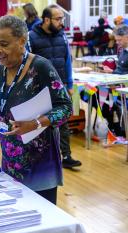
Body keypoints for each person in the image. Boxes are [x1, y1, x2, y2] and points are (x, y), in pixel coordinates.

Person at [0, 15, 72, 204]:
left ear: (22, 41)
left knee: (41, 225)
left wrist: (35, 123)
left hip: (40, 165)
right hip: (10, 163)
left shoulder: (41, 67)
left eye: (4, 44)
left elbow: (66, 107)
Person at [28, 5, 81, 169]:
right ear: (46, 20)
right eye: (58, 19)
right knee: (40, 124)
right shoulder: (31, 37)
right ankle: (39, 158)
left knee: (63, 122)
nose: (61, 22)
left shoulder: (62, 36)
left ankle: (66, 156)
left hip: (60, 87)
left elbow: (67, 61)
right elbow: (27, 64)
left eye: (62, 18)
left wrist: (69, 83)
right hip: (39, 89)